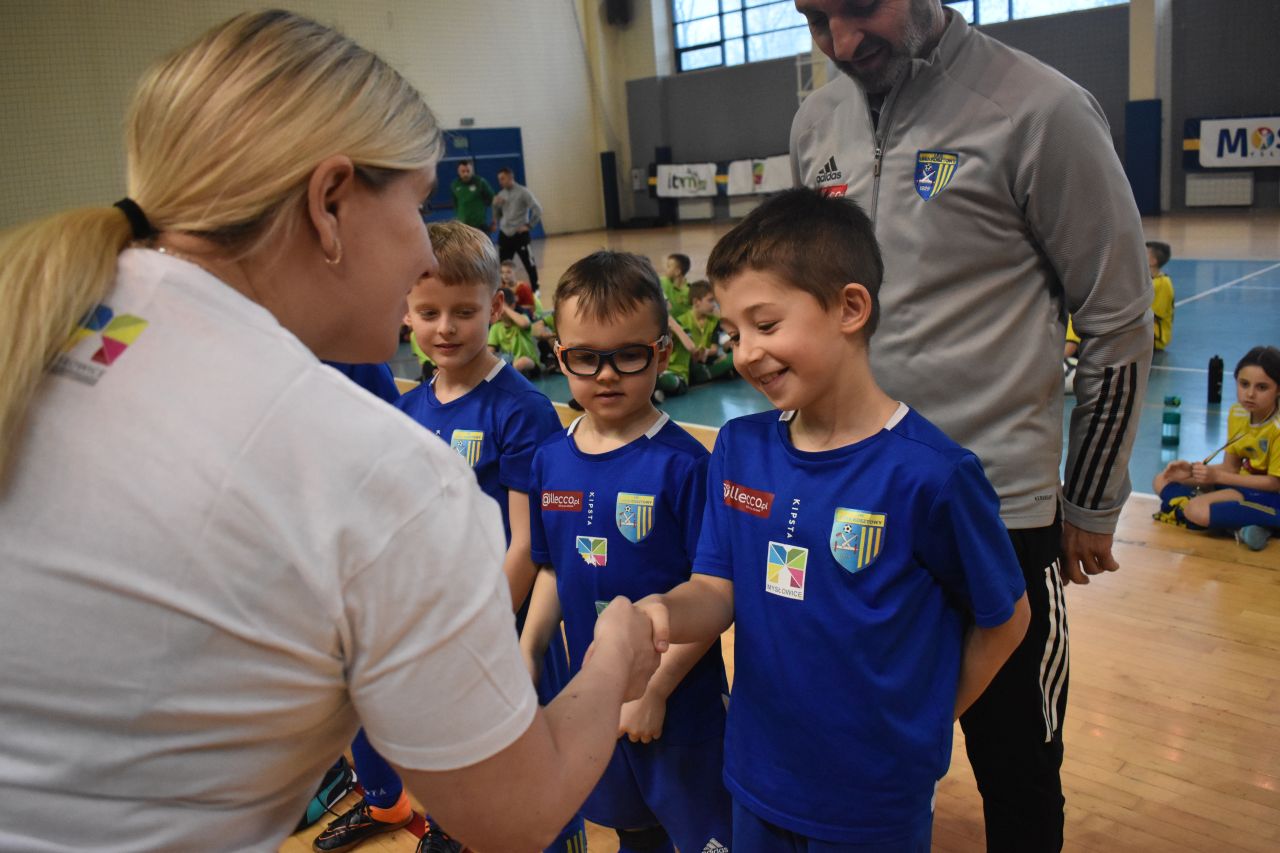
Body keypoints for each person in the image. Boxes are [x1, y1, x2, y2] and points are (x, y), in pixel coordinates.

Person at [0, 12, 659, 852]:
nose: (426, 255)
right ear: (329, 202)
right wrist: (614, 653)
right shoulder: (375, 470)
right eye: (418, 205)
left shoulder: (42, 321)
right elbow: (517, 811)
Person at [790, 3, 1153, 848]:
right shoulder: (816, 122)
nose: (841, 42)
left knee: (1017, 762)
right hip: (856, 501)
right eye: (814, 17)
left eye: (860, 6)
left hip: (997, 511)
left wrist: (1091, 499)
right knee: (856, 735)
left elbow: (1118, 318)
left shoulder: (1041, 110)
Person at [636, 189, 1029, 850]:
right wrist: (661, 613)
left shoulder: (932, 474)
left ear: (850, 308)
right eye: (733, 333)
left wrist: (924, 723)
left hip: (874, 801)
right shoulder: (739, 449)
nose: (744, 353)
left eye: (765, 324)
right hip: (756, 778)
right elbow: (715, 590)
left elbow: (1006, 619)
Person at [315, 221, 582, 853]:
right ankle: (451, 828)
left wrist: (476, 625)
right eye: (429, 312)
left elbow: (528, 545)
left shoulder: (519, 410)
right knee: (454, 751)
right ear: (405, 312)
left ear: (495, 306)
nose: (446, 328)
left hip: (503, 625)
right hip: (437, 626)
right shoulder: (409, 408)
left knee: (532, 766)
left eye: (464, 312)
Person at [521, 252, 734, 853]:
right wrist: (528, 649)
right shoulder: (549, 460)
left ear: (662, 355)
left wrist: (656, 690)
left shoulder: (686, 466)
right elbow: (553, 569)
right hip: (594, 700)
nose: (607, 374)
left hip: (680, 707)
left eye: (628, 355)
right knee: (634, 834)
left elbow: (712, 595)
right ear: (559, 355)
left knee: (707, 837)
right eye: (586, 357)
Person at [1152, 345, 1280, 551]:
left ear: (1278, 389)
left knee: (1197, 510)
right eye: (1244, 384)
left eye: (1262, 387)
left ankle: (1248, 523)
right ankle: (1241, 524)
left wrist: (1217, 477)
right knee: (1163, 479)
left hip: (1271, 495)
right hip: (1241, 487)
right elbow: (1230, 467)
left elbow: (1274, 483)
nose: (1250, 394)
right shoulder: (1238, 413)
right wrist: (1192, 471)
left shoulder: (1278, 427)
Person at [493, 167, 542, 292]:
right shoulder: (501, 194)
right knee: (504, 267)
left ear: (510, 177)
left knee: (529, 264)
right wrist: (495, 205)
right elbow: (497, 216)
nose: (500, 182)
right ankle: (505, 292)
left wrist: (529, 225)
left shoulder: (523, 192)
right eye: (499, 179)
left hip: (520, 235)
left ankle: (536, 290)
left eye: (503, 179)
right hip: (505, 235)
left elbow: (537, 209)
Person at [682, 280, 734, 385]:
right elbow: (688, 352)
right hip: (691, 365)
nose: (714, 305)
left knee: (735, 355)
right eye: (710, 301)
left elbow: (714, 349)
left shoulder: (713, 321)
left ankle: (714, 372)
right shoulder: (682, 321)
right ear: (696, 302)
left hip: (708, 361)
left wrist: (705, 352)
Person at [450, 158, 495, 231]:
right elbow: (455, 204)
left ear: (472, 171)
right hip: (464, 226)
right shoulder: (455, 185)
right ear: (458, 172)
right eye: (463, 171)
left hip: (480, 225)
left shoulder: (480, 182)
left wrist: (493, 221)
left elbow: (493, 200)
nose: (466, 174)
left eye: (468, 171)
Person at [1148, 240, 1175, 352]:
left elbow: (1153, 314)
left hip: (1154, 336)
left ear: (1153, 261)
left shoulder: (1163, 283)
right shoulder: (1147, 280)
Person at [659, 253, 692, 318]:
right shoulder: (662, 281)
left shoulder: (690, 291)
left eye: (668, 266)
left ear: (677, 272)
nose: (665, 269)